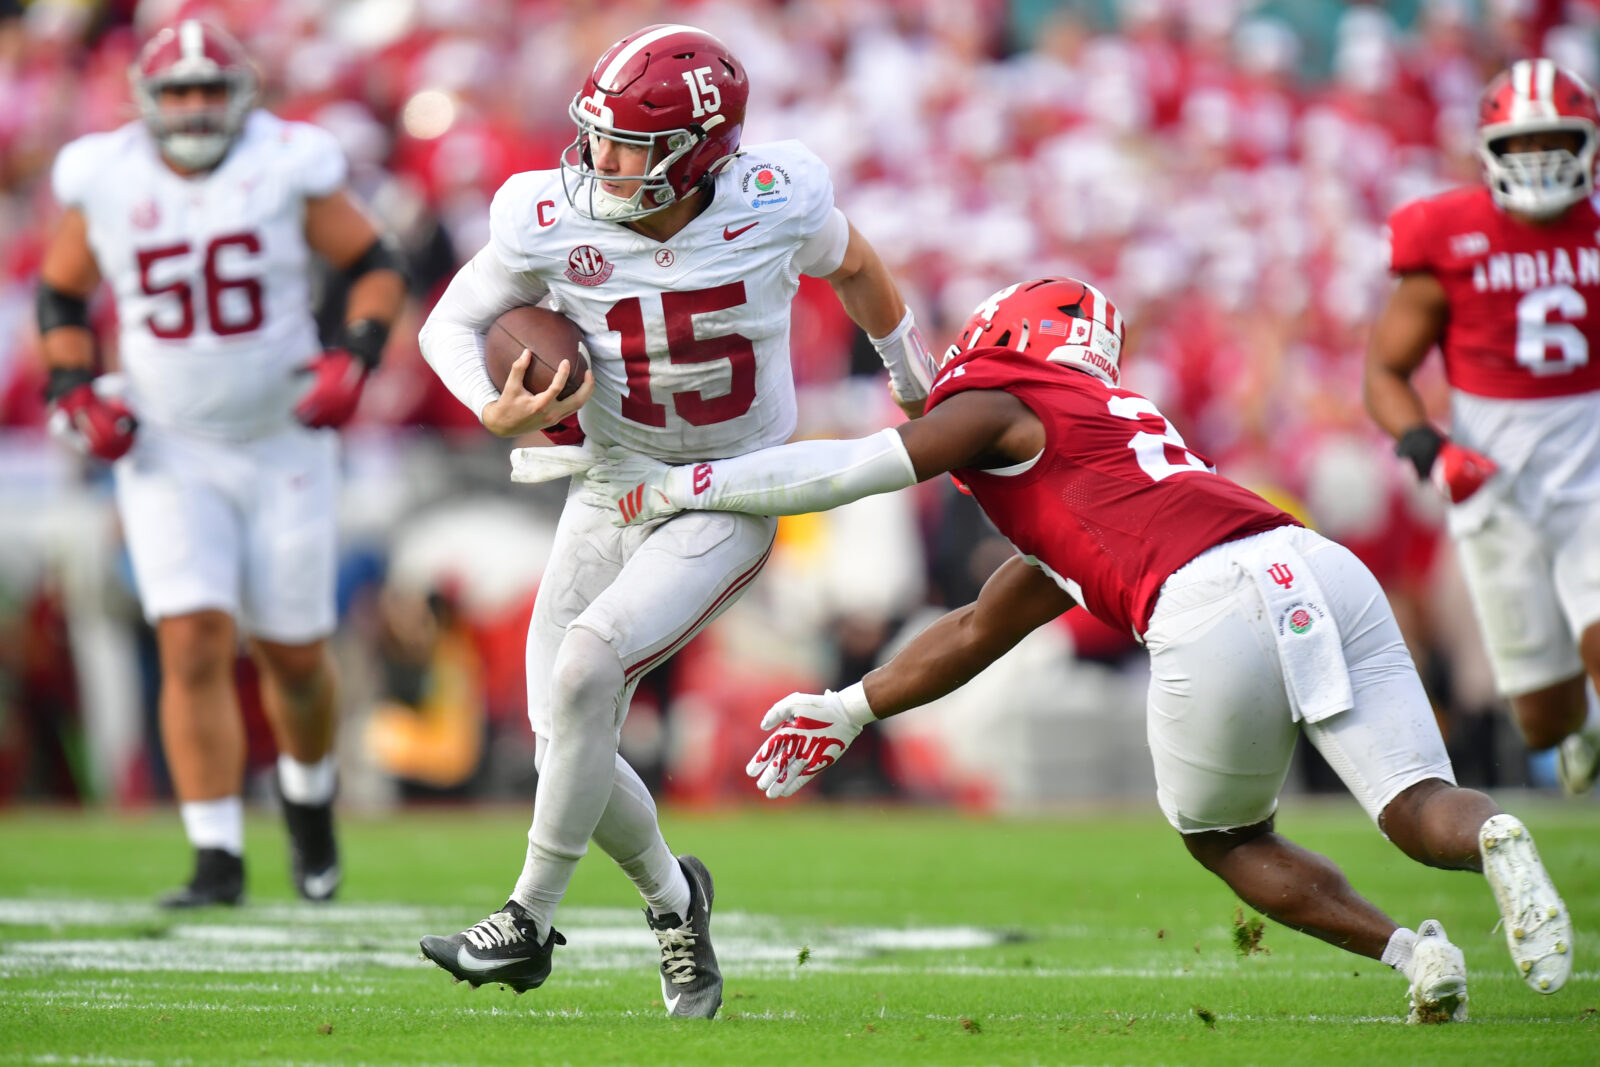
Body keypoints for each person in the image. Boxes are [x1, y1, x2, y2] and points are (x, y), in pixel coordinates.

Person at [579, 276, 1575, 1023]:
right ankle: (1491, 842)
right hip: (1308, 557)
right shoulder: (1109, 447)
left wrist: (684, 488)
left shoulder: (1005, 400)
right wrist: (849, 707)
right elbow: (978, 625)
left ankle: (1408, 953)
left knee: (1224, 836)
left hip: (1204, 595)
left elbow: (849, 470)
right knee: (1413, 805)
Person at [414, 24, 933, 1018]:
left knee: (583, 669)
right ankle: (674, 901)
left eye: (627, 146)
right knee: (559, 732)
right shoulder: (545, 213)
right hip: (612, 479)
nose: (598, 161)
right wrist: (489, 405)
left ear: (698, 153)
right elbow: (452, 320)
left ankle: (526, 917)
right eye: (595, 136)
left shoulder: (775, 198)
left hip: (732, 484)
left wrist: (910, 375)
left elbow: (857, 268)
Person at [38, 21, 405, 905]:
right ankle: (215, 855)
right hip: (169, 444)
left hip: (282, 438)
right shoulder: (108, 176)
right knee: (191, 638)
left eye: (210, 90)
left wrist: (354, 354)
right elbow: (61, 287)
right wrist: (72, 385)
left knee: (293, 655)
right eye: (178, 92)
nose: (195, 108)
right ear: (146, 101)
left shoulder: (286, 162)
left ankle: (309, 802)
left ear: (240, 93)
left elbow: (374, 261)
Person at [1364, 58, 1600, 796]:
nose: (1539, 159)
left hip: (1591, 469)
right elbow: (1383, 373)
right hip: (1496, 489)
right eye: (1522, 144)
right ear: (1490, 151)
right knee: (1543, 717)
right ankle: (1580, 726)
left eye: (1555, 140)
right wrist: (1430, 450)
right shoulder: (1448, 236)